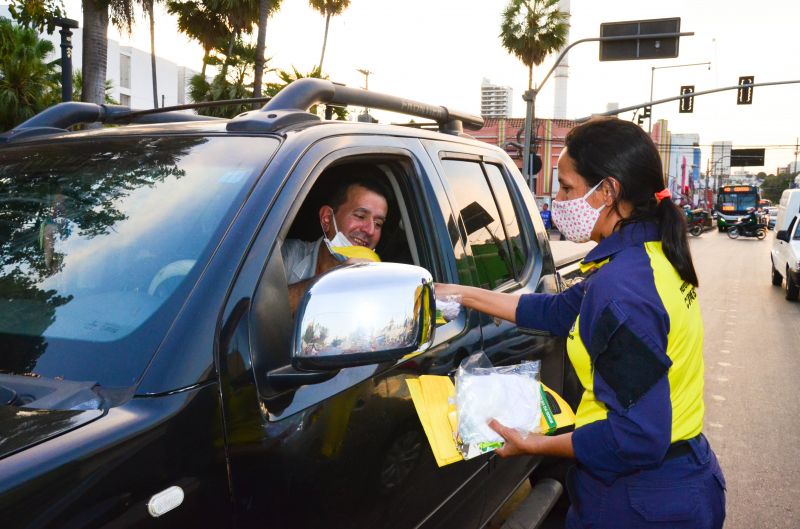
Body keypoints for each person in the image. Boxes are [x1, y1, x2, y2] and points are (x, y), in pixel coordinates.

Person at [436, 117, 725, 529]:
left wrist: (535, 444)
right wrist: (462, 294)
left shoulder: (621, 288)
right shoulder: (645, 256)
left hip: (640, 502)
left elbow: (637, 436)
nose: (558, 200)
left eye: (567, 188)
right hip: (677, 478)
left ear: (607, 191)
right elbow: (553, 312)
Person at [283, 167, 390, 312]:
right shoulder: (288, 256)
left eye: (378, 224)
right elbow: (257, 309)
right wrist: (335, 279)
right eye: (359, 216)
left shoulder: (381, 282)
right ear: (327, 219)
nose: (370, 230)